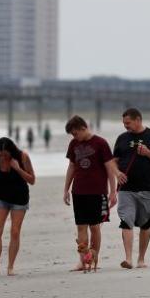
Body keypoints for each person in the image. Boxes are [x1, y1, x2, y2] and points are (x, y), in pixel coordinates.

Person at [114, 108, 150, 269]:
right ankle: (128, 259)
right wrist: (117, 173)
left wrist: (147, 153)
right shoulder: (122, 138)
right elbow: (113, 161)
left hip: (148, 187)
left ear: (138, 119)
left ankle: (141, 259)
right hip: (126, 189)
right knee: (126, 221)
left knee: (146, 225)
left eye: (128, 123)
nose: (125, 126)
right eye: (124, 123)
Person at [63, 116, 118, 271]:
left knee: (94, 227)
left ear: (83, 128)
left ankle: (94, 258)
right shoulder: (74, 144)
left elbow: (109, 168)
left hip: (97, 192)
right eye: (72, 135)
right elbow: (72, 167)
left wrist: (113, 191)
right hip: (78, 191)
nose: (74, 137)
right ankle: (82, 261)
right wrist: (66, 189)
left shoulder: (100, 143)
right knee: (81, 227)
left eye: (75, 133)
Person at [0, 137, 35, 277]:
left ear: (11, 150)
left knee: (15, 232)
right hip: (0, 197)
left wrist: (17, 169)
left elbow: (32, 180)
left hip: (19, 198)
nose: (3, 156)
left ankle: (10, 267)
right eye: (1, 154)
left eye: (6, 154)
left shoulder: (23, 157)